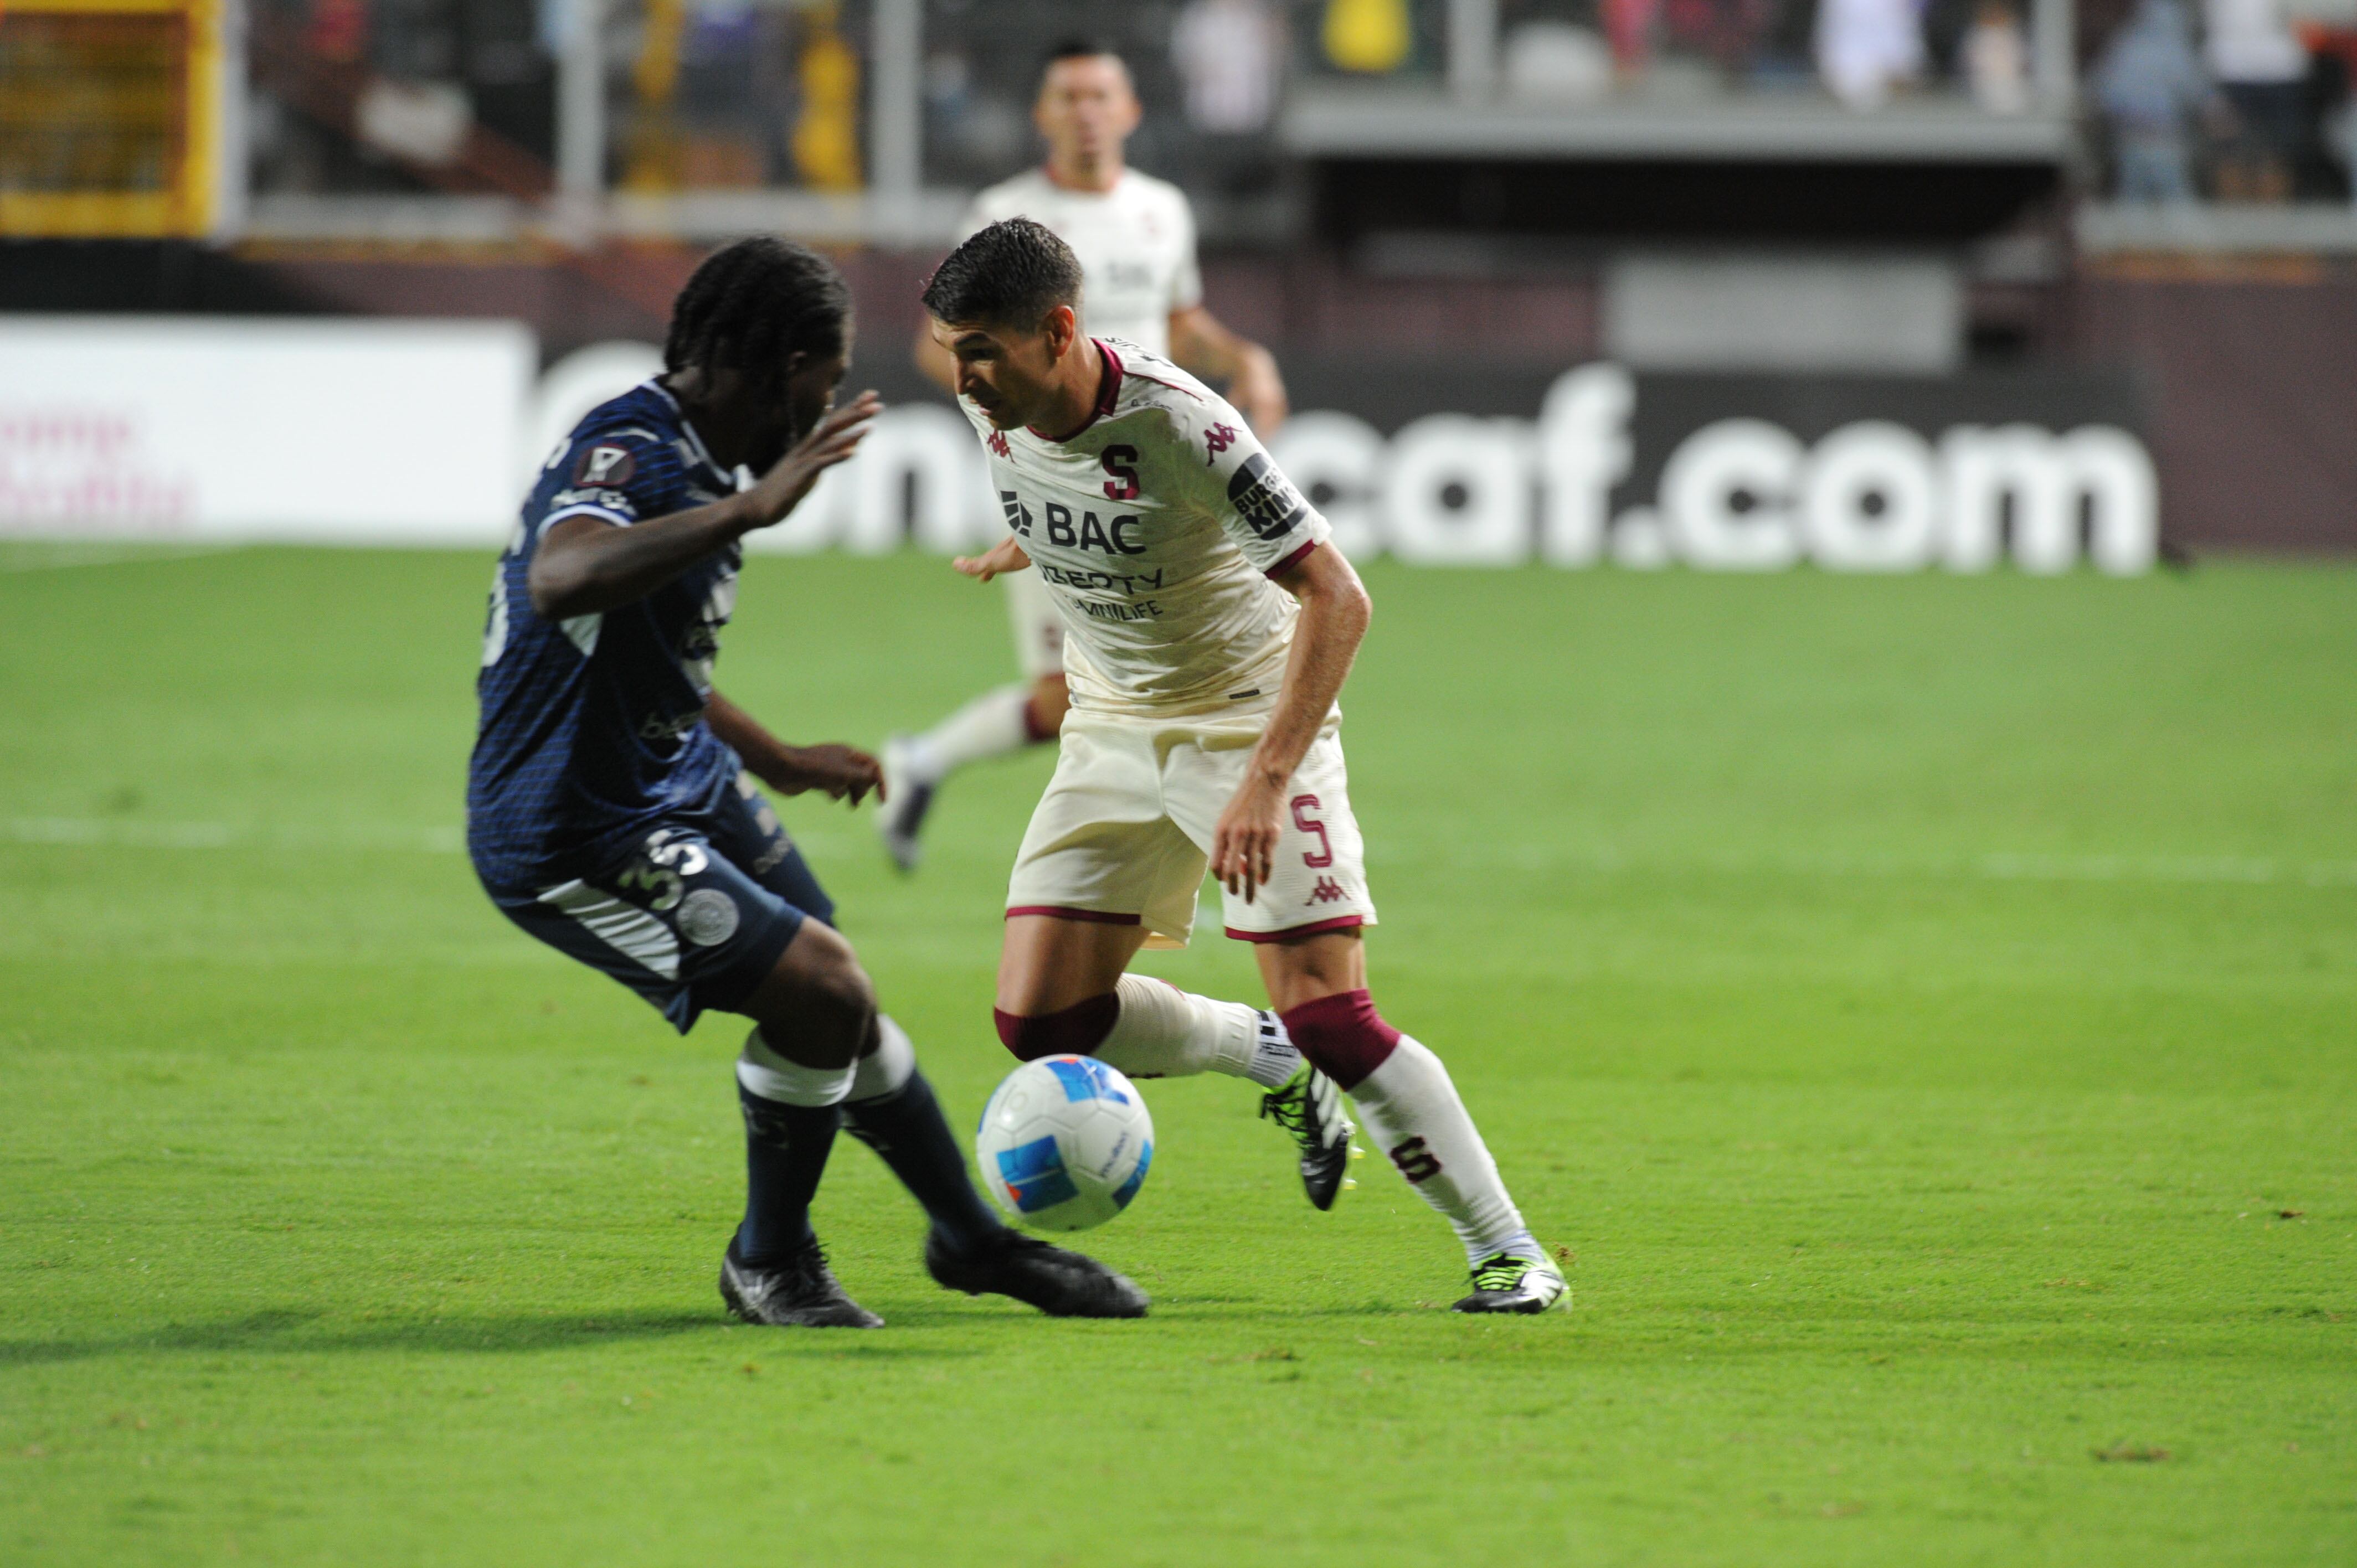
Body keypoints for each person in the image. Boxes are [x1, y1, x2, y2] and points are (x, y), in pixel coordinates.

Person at [467, 236, 1146, 1328]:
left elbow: (644, 656)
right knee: (820, 992)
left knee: (838, 994)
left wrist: (776, 757)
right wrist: (750, 509)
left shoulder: (699, 460)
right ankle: (769, 1261)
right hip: (571, 827)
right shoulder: (631, 448)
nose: (824, 411)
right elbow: (559, 580)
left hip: (669, 771)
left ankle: (972, 1241)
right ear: (777, 366)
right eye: (823, 384)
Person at [923, 219, 1569, 1313]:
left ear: (1060, 330)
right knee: (1041, 1024)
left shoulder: (1183, 422)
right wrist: (1032, 544)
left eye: (981, 348)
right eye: (955, 349)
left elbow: (1339, 596)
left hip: (1242, 724)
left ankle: (1510, 1253)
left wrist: (1267, 778)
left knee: (1335, 1015)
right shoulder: (996, 403)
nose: (963, 374)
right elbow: (1100, 498)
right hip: (1110, 721)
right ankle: (1263, 1056)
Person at [882, 39, 1290, 875]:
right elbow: (946, 349)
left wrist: (1244, 356)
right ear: (1043, 115)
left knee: (1130, 673)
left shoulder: (1162, 210)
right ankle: (936, 770)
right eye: (1068, 97)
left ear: (1132, 111)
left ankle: (926, 765)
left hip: (1160, 478)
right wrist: (1030, 447)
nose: (1086, 112)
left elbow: (1177, 326)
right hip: (1068, 479)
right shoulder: (1006, 214)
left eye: (1101, 95)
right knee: (1076, 692)